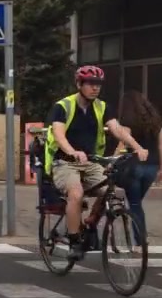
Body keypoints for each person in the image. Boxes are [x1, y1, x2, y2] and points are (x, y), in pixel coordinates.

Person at [44, 66, 148, 260]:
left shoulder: (102, 107)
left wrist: (137, 146)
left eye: (98, 84)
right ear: (79, 84)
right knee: (76, 194)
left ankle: (91, 223)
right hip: (65, 162)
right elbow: (58, 134)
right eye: (91, 84)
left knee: (114, 191)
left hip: (91, 162)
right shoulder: (63, 106)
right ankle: (74, 241)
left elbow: (117, 129)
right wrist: (72, 151)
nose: (95, 88)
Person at [117, 91, 162, 246]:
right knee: (136, 202)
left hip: (134, 167)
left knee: (135, 204)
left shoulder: (128, 122)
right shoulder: (157, 123)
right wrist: (161, 169)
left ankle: (141, 240)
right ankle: (140, 238)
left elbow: (122, 145)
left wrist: (112, 160)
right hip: (152, 167)